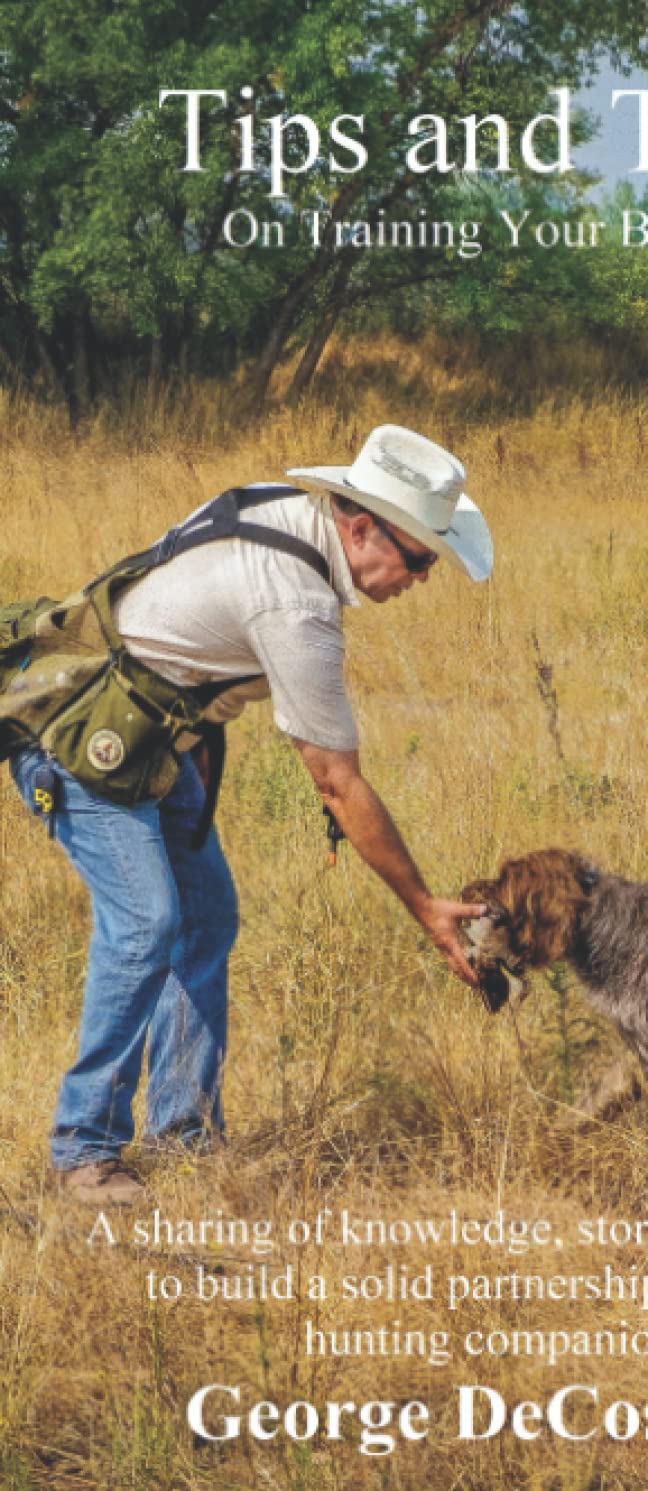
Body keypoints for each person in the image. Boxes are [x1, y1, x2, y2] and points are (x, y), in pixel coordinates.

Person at [8, 424, 491, 1205]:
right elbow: (337, 781)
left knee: (206, 918)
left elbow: (179, 642)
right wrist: (427, 908)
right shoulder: (297, 607)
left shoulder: (279, 508)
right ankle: (84, 1149)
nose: (424, 578)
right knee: (147, 924)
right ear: (361, 526)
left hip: (152, 744)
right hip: (80, 743)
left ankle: (187, 1130)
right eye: (420, 558)